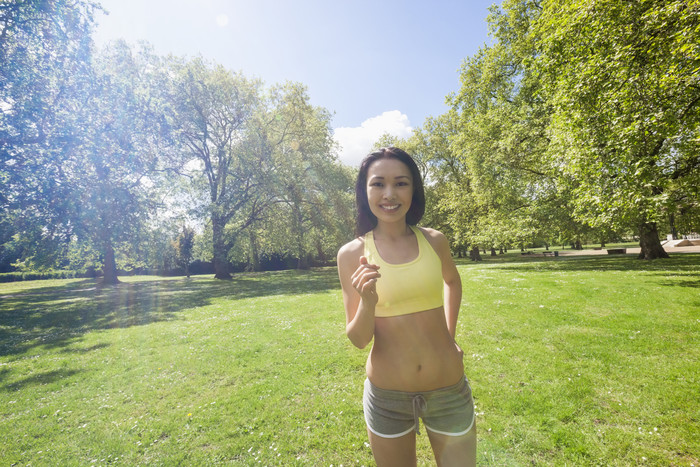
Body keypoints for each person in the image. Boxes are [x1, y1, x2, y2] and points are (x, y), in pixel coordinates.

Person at [337, 147, 476, 466]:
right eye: (378, 184)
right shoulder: (351, 254)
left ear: (414, 189)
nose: (389, 194)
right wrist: (368, 302)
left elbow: (452, 282)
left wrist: (450, 336)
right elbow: (358, 339)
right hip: (387, 399)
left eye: (401, 183)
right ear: (364, 190)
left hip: (448, 390)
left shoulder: (435, 241)